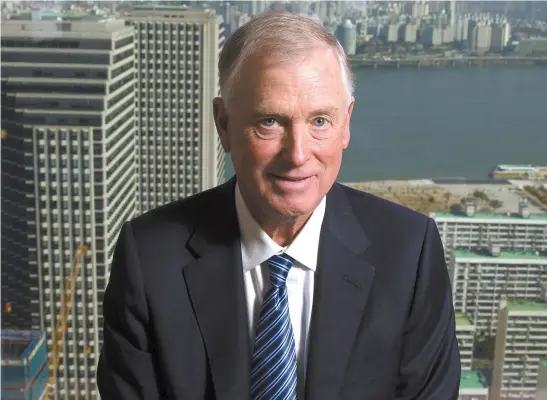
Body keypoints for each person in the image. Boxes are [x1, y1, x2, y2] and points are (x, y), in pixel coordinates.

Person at [97, 10, 460, 400]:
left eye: (320, 121)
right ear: (224, 124)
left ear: (346, 124)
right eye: (270, 122)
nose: (298, 154)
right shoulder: (150, 259)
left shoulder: (409, 253)